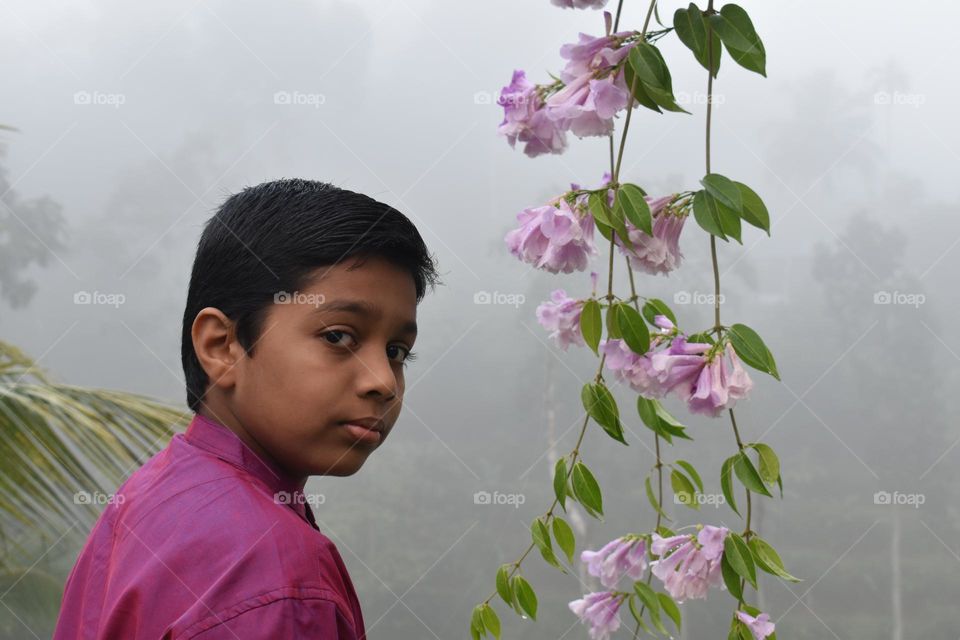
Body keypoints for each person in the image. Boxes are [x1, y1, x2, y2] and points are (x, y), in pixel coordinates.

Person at [52, 178, 440, 639]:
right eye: (339, 336)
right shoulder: (278, 577)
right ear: (222, 346)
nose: (382, 382)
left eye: (397, 351)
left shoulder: (152, 496)